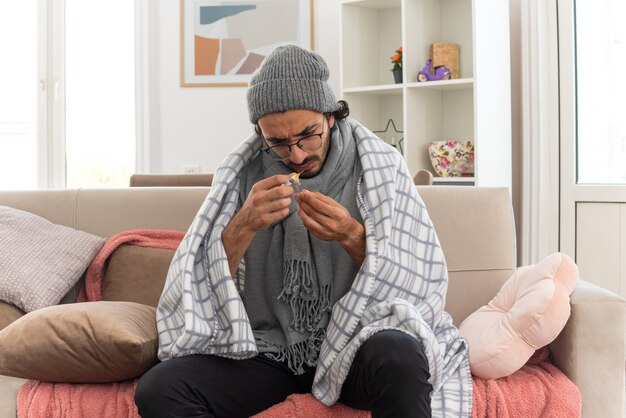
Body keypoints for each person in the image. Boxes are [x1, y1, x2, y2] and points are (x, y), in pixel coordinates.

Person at [135, 45, 472, 418]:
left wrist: (352, 236)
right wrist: (242, 226)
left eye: (307, 135)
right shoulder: (240, 176)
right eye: (277, 142)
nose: (295, 155)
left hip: (353, 345)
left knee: (400, 354)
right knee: (160, 389)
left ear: (330, 115)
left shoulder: (379, 168)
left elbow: (417, 286)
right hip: (267, 354)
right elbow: (193, 284)